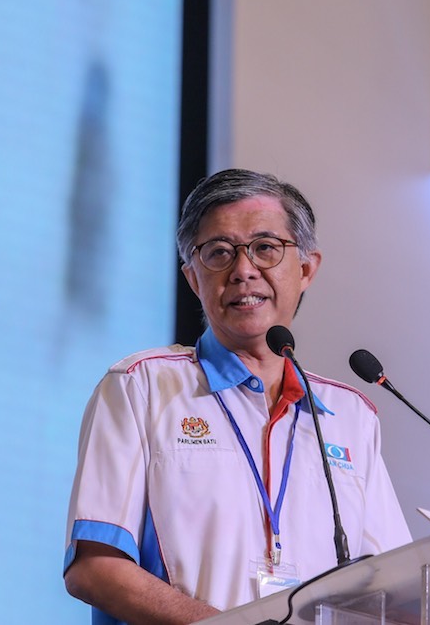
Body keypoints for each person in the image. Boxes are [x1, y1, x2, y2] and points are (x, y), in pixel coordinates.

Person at [63, 169, 412, 624]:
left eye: (265, 248)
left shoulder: (350, 416)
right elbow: (94, 568)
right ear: (193, 278)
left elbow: (393, 590)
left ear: (306, 269)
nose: (243, 270)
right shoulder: (140, 386)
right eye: (219, 253)